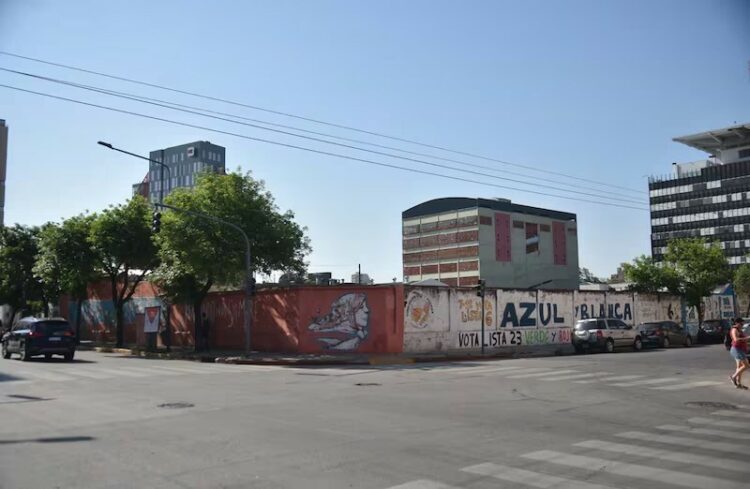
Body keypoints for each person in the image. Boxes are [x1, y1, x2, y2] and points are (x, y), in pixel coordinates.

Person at [729, 317, 749, 389]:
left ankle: (738, 383)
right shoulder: (734, 330)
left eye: (743, 323)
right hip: (737, 350)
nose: (742, 324)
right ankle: (733, 377)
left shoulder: (739, 330)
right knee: (747, 365)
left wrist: (746, 340)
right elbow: (736, 339)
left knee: (739, 367)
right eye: (741, 323)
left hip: (740, 349)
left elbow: (742, 339)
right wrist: (747, 338)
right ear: (737, 323)